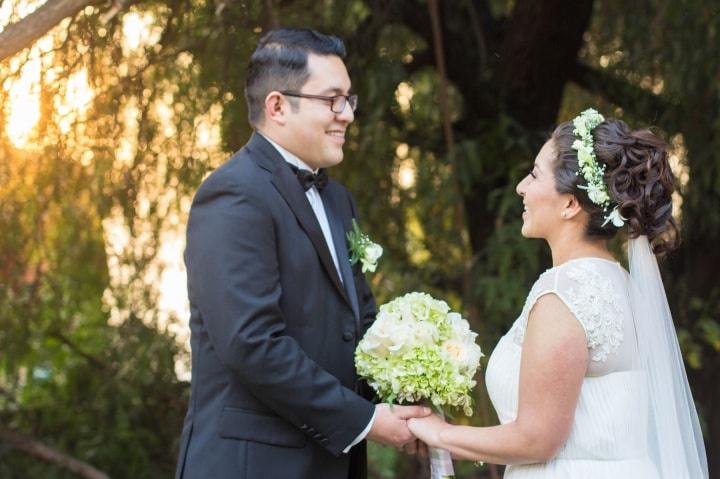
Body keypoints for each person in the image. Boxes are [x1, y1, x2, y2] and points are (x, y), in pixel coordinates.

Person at [175, 28, 429, 479]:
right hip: (255, 465)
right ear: (277, 107)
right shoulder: (234, 194)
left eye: (349, 100)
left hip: (331, 463)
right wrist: (367, 421)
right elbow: (251, 343)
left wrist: (407, 389)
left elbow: (358, 325)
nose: (347, 115)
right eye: (332, 99)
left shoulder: (338, 200)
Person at [408, 109, 709, 478]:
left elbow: (536, 439)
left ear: (570, 205)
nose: (521, 186)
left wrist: (441, 433)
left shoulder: (564, 294)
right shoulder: (623, 286)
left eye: (534, 174)